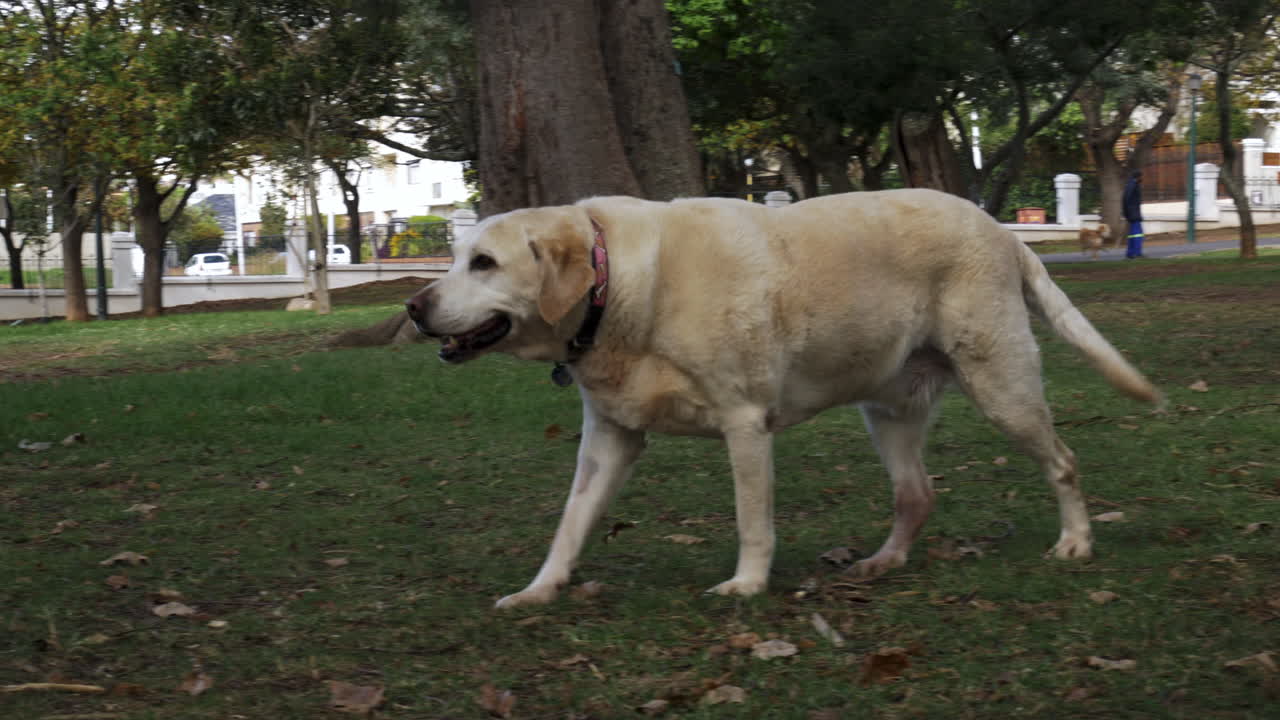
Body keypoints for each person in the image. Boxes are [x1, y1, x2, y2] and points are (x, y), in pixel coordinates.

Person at [1122, 171, 1145, 259]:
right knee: (1138, 234)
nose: (1142, 178)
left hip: (1131, 214)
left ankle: (1130, 253)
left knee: (1132, 235)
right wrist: (1129, 212)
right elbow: (1127, 199)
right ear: (1138, 177)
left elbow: (1125, 199)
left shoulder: (1129, 184)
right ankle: (1137, 253)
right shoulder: (1133, 185)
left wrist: (1126, 213)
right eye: (1141, 177)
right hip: (1134, 214)